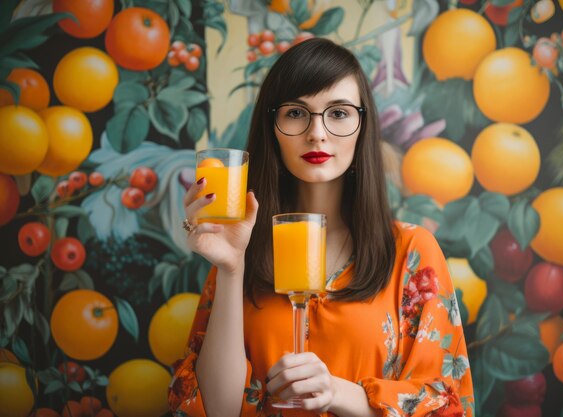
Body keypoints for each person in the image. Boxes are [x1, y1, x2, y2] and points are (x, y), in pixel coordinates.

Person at [169, 38, 474, 417]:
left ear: (363, 126)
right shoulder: (240, 247)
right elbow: (218, 411)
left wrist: (338, 393)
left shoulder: (411, 251)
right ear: (273, 128)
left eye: (339, 113)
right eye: (297, 113)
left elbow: (445, 404)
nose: (317, 132)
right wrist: (231, 268)